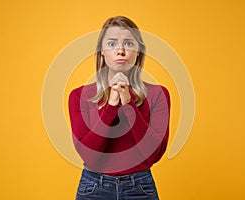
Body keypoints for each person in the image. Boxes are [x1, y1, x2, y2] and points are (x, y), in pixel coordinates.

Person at [69, 16, 170, 200]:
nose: (121, 51)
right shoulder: (79, 96)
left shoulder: (158, 94)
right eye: (112, 43)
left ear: (138, 52)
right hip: (93, 188)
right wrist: (111, 106)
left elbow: (153, 155)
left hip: (141, 188)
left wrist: (129, 104)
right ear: (102, 52)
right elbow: (90, 156)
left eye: (129, 43)